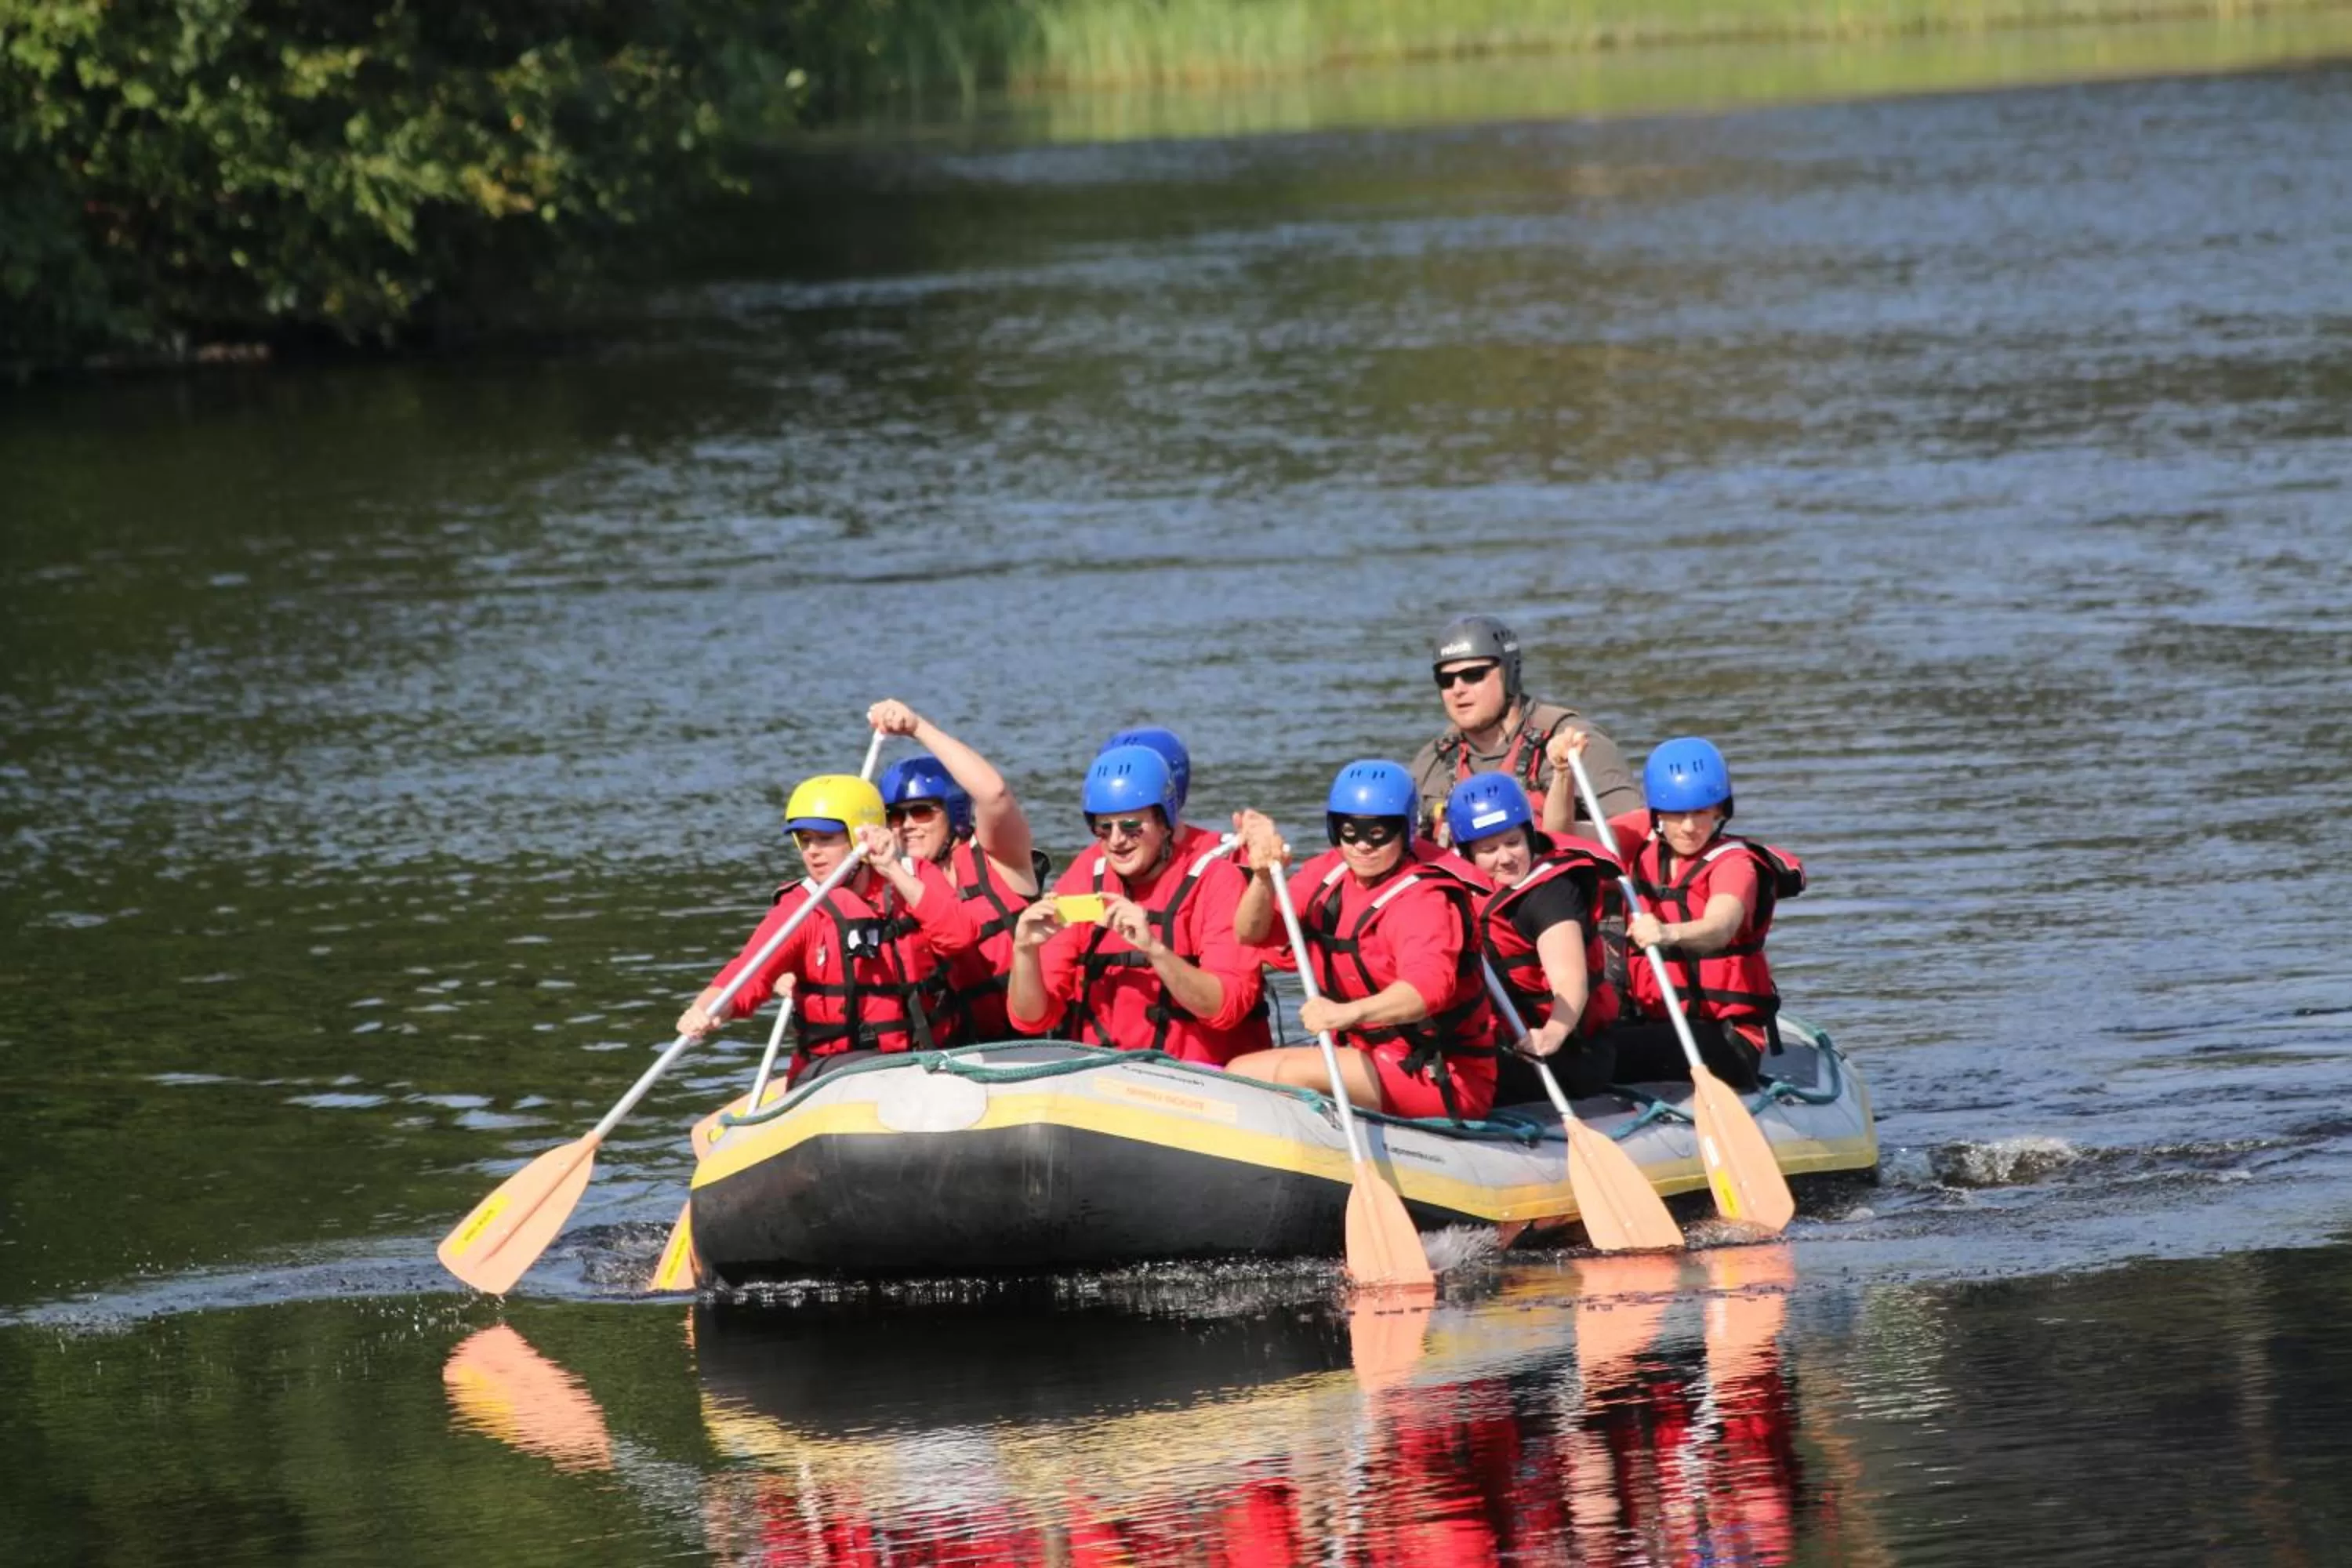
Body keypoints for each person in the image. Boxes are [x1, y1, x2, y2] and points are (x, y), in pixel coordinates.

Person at [1228, 760, 1501, 1121]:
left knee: (1268, 1075)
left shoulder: (1425, 899)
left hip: (1438, 1073)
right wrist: (1262, 877)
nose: (1362, 846)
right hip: (1364, 1056)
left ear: (1405, 831)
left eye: (1378, 833)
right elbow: (1250, 932)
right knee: (1237, 1070)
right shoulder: (1329, 873)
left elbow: (1426, 992)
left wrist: (1345, 1013)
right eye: (1349, 832)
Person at [674, 774, 980, 1081]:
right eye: (805, 840)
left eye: (825, 839)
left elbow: (960, 937)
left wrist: (891, 869)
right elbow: (748, 974)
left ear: (860, 836)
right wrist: (707, 1009)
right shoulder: (802, 908)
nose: (812, 852)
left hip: (928, 1061)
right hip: (836, 1074)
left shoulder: (915, 877)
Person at [1007, 746, 1270, 1065]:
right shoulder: (1086, 876)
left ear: (1164, 822)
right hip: (1104, 1076)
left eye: (1131, 826)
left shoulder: (1217, 880)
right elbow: (1032, 1019)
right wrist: (1024, 951)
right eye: (1104, 827)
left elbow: (1226, 1008)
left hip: (1198, 1081)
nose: (1117, 840)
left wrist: (1153, 949)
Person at [1576, 735, 1806, 1091]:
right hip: (1660, 1023)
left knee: (1602, 1057)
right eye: (1676, 814)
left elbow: (1721, 926)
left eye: (1700, 812)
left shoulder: (1734, 863)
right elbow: (1562, 835)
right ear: (1656, 814)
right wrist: (1562, 774)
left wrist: (1668, 934)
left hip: (1727, 1040)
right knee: (1582, 1045)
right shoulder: (1642, 845)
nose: (1688, 826)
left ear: (1719, 811)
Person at [867, 699, 1047, 1043]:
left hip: (1032, 1042)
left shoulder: (1001, 859)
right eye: (895, 816)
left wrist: (917, 727)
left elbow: (994, 794)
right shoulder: (893, 884)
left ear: (954, 814)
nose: (906, 827)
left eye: (921, 812)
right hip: (953, 1057)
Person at [1444, 771, 1622, 1101]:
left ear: (1528, 836)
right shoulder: (1462, 891)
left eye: (1513, 842)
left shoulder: (1550, 895)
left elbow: (1569, 980)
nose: (1506, 858)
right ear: (1468, 855)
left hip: (1568, 1053)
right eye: (1489, 849)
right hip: (1504, 1040)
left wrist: (1554, 1032)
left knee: (1457, 1079)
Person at [1407, 614, 1642, 844]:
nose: (1458, 689)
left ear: (1510, 673)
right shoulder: (1433, 760)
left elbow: (1637, 831)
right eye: (1446, 680)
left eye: (1473, 675)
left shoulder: (1572, 742)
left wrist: (1562, 833)